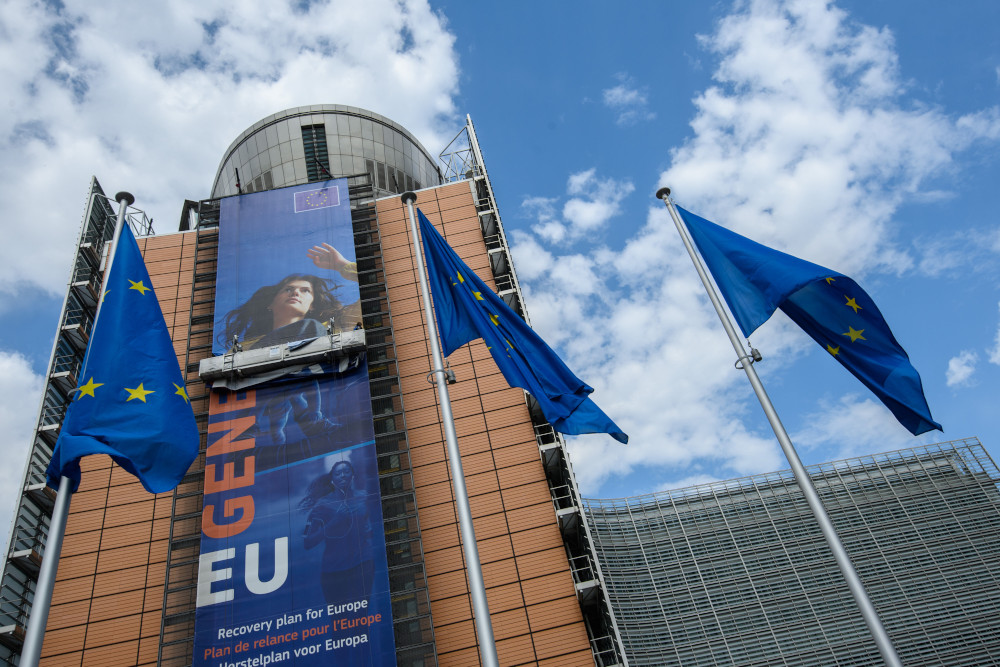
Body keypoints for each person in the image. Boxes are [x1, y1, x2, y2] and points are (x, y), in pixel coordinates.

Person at [216, 244, 363, 445]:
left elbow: (374, 291)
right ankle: (284, 424)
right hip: (265, 398)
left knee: (311, 329)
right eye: (288, 289)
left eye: (305, 291)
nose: (296, 293)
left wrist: (342, 266)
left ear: (312, 305)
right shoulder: (243, 347)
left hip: (320, 382)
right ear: (270, 303)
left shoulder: (335, 327)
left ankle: (306, 421)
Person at [300, 460, 374, 605]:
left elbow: (370, 529)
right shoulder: (321, 506)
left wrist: (368, 530)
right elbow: (307, 542)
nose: (343, 476)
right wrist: (333, 522)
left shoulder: (364, 498)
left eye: (346, 472)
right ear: (332, 479)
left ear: (352, 475)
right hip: (334, 571)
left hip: (362, 563)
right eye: (338, 473)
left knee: (361, 616)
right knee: (340, 621)